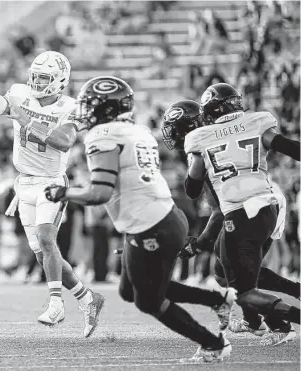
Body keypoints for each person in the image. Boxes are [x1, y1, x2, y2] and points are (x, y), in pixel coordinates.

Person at [44, 76, 237, 363]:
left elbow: (100, 192)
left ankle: (213, 343)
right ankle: (217, 300)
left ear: (104, 108)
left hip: (151, 225)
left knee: (148, 299)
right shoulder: (139, 131)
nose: (85, 110)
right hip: (164, 217)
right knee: (129, 289)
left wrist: (65, 192)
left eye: (90, 105)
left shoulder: (103, 136)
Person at [0, 36, 104, 338]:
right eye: (35, 76)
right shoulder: (20, 95)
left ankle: (56, 303)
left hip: (51, 183)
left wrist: (25, 120)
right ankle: (87, 298)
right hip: (25, 185)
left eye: (44, 78)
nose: (36, 82)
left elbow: (64, 142)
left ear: (60, 81)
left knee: (47, 239)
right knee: (43, 254)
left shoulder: (70, 107)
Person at [162, 98, 300, 346]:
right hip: (254, 202)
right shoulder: (214, 138)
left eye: (175, 127)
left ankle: (278, 322)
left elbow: (217, 212)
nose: (171, 134)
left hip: (251, 203)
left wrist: (198, 244)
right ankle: (256, 321)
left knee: (239, 277)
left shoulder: (205, 144)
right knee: (228, 272)